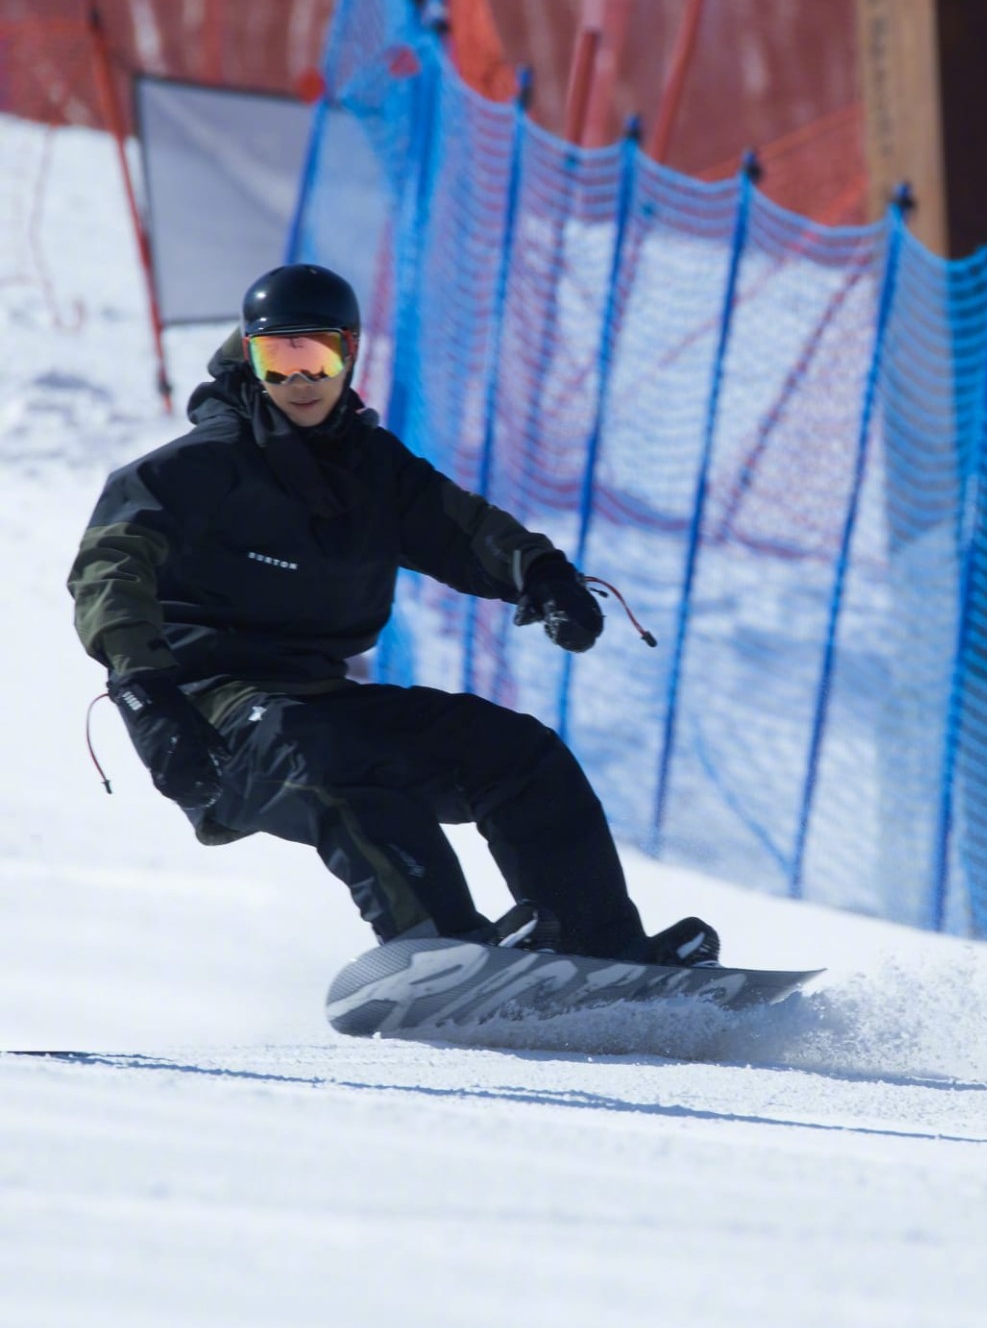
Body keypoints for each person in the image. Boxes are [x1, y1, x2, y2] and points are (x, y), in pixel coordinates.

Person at [68, 263, 720, 967]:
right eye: (276, 358)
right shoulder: (197, 468)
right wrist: (146, 691)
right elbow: (111, 566)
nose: (299, 380)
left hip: (319, 698)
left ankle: (600, 951)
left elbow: (461, 529)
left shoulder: (371, 468)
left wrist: (541, 573)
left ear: (348, 352)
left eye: (314, 354)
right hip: (214, 714)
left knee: (518, 755)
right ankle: (440, 950)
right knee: (318, 748)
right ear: (250, 359)